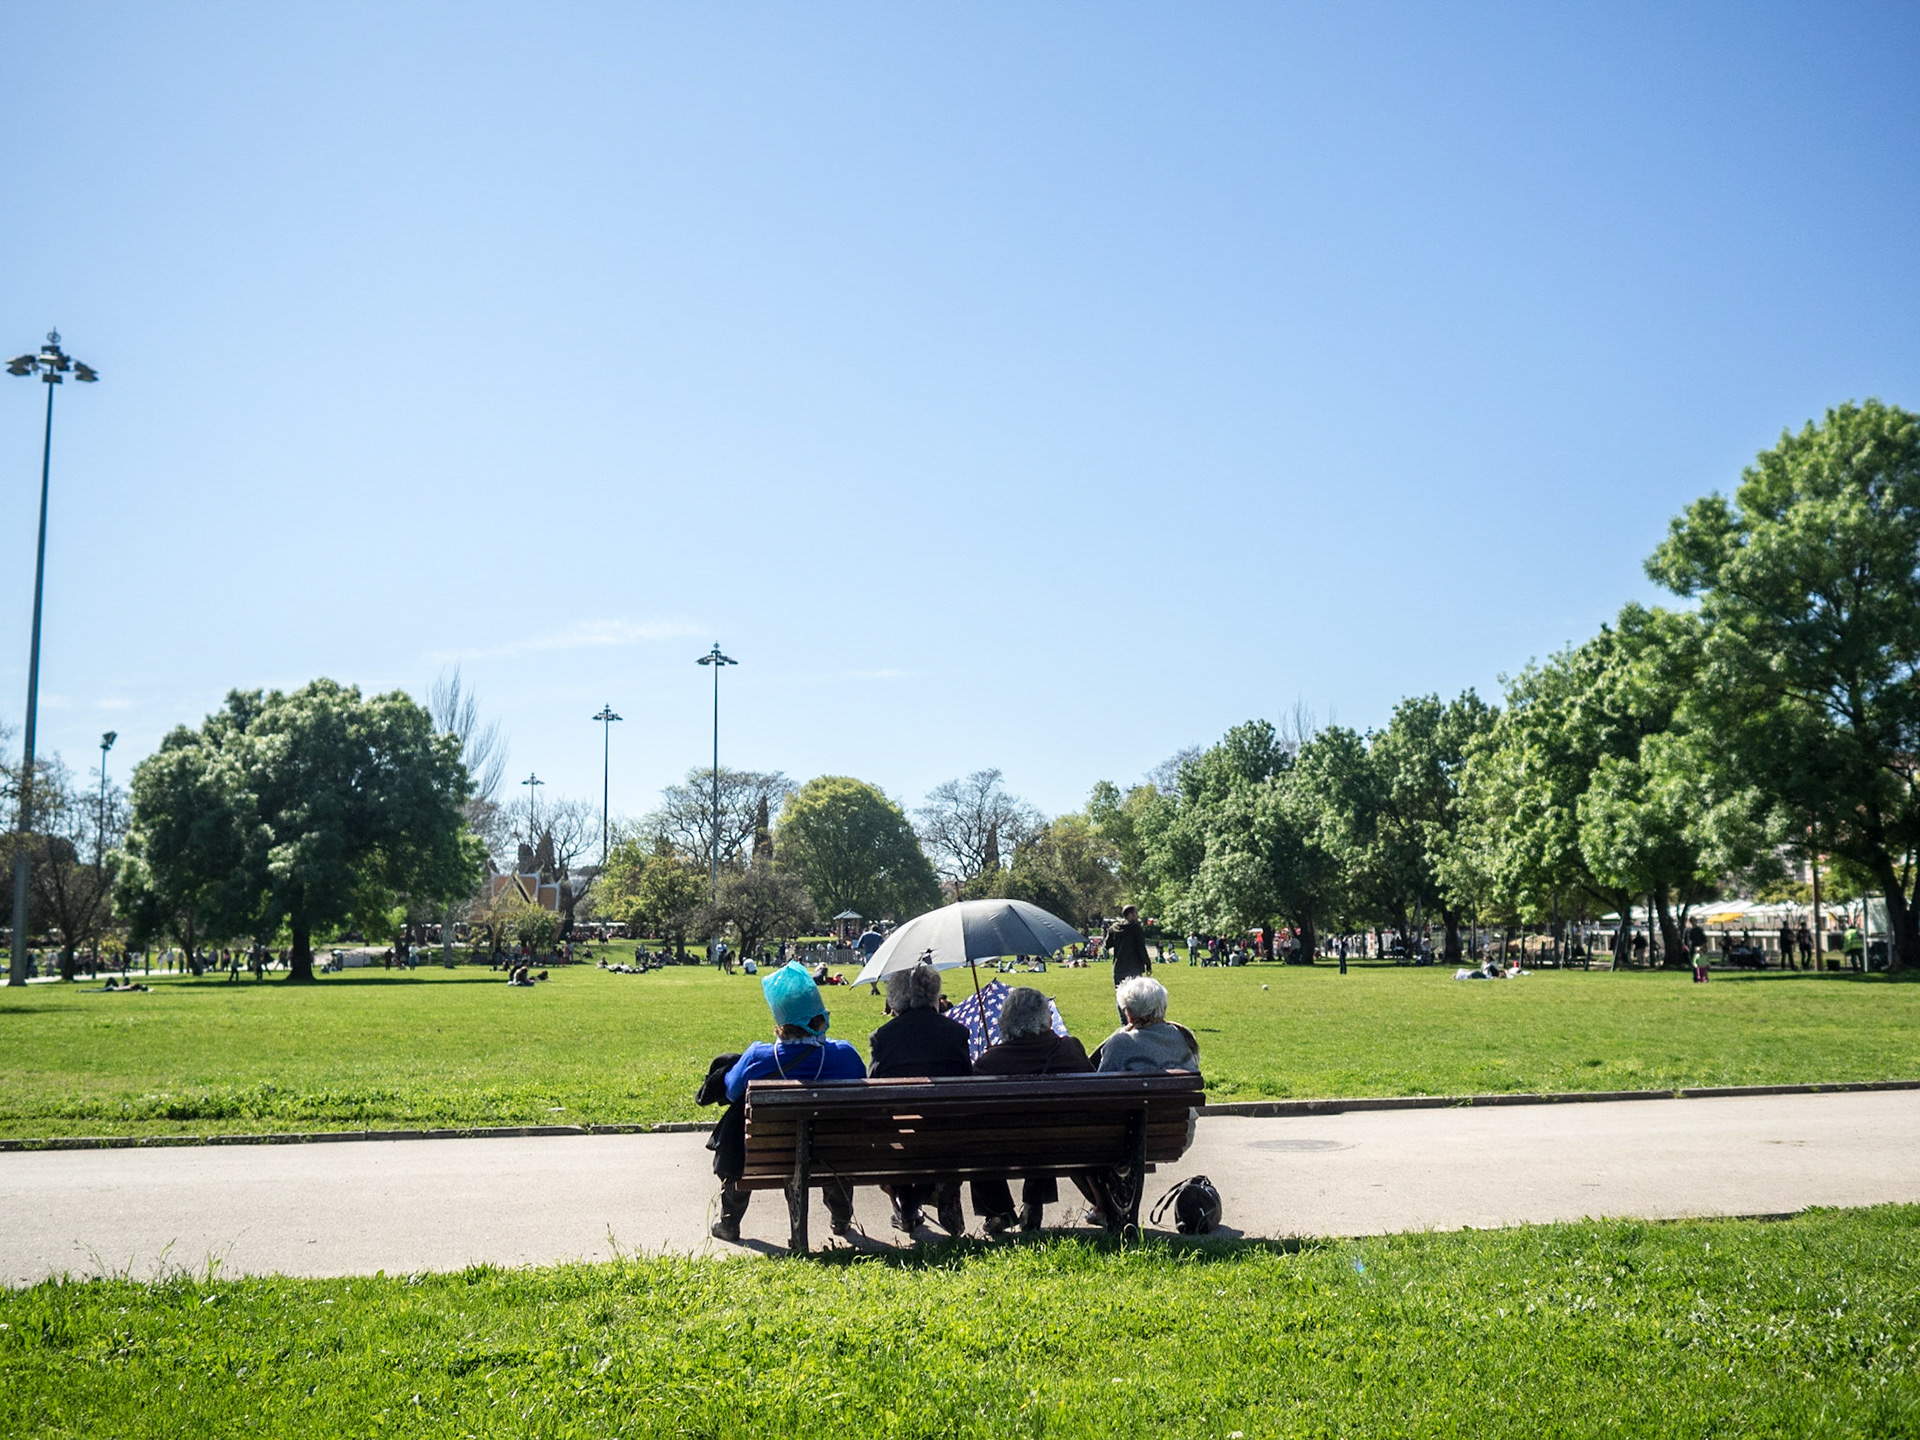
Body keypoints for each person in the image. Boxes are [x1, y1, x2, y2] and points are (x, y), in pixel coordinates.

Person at [706, 963, 866, 1243]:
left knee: (738, 1132)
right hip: (833, 1151)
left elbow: (730, 1093)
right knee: (834, 1141)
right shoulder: (845, 1055)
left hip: (765, 1155)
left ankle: (729, 1221)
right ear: (820, 1017)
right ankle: (841, 1217)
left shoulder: (759, 1057)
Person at [968, 987, 1096, 1235]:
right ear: (1045, 1019)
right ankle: (1033, 1201)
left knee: (979, 1138)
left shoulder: (989, 1063)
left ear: (1005, 1021)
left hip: (1003, 1149)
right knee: (1046, 1131)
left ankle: (999, 1210)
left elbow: (973, 1118)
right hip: (1068, 1144)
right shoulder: (1069, 1049)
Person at [868, 962, 972, 1236]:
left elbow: (873, 1089)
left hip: (902, 1133)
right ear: (934, 993)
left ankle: (907, 1203)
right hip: (948, 1133)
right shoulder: (957, 1032)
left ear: (897, 995)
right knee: (940, 1133)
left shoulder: (884, 1036)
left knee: (894, 1138)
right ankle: (930, 1195)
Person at [1095, 976, 1200, 1074]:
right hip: (1182, 1093)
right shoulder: (1184, 1036)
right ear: (1163, 1007)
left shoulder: (1119, 1044)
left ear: (1129, 1014)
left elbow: (1101, 1084)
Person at [1105, 905, 1152, 1005]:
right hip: (1134, 967)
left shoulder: (1114, 928)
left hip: (1119, 967)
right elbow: (1141, 948)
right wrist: (1148, 964)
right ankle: (1133, 1020)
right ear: (1130, 915)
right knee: (1135, 997)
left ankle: (1124, 1020)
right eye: (1135, 914)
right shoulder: (1135, 928)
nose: (1137, 916)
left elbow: (1107, 945)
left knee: (1120, 996)